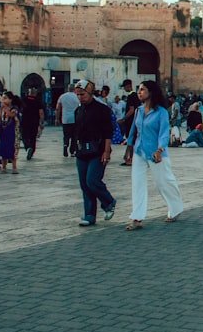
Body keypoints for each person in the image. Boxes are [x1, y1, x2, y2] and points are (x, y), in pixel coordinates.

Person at [125, 80, 184, 231]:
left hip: (156, 153)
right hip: (139, 151)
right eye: (139, 89)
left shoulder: (161, 112)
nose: (139, 92)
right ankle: (137, 217)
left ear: (151, 92)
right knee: (137, 183)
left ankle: (175, 207)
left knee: (162, 182)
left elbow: (164, 133)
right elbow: (133, 130)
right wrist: (129, 148)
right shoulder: (138, 110)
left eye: (142, 90)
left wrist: (160, 150)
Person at [72, 80, 116, 227]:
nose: (80, 97)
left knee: (92, 181)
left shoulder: (102, 109)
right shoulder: (78, 110)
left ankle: (108, 201)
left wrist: (107, 151)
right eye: (77, 95)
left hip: (98, 150)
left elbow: (108, 132)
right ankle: (89, 215)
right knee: (84, 184)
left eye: (82, 94)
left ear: (90, 93)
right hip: (82, 151)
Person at [0, 91, 21, 174]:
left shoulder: (14, 108)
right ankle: (4, 166)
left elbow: (11, 115)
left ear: (10, 100)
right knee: (3, 148)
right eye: (2, 98)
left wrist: (5, 108)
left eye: (5, 98)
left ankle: (14, 167)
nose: (3, 100)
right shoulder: (0, 109)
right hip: (2, 132)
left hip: (12, 131)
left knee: (12, 148)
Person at [119, 79, 140, 165]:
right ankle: (128, 157)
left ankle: (130, 158)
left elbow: (131, 110)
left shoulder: (132, 96)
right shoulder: (135, 95)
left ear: (128, 86)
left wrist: (123, 119)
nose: (124, 89)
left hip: (131, 121)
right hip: (134, 120)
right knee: (131, 139)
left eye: (124, 87)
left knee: (131, 139)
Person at [55, 83, 79, 158]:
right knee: (74, 136)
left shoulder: (62, 96)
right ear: (74, 89)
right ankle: (72, 151)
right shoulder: (77, 97)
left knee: (66, 135)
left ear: (68, 88)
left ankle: (65, 146)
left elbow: (58, 108)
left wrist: (57, 119)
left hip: (65, 119)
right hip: (75, 119)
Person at [21, 87, 45, 160]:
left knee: (24, 136)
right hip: (34, 122)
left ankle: (28, 147)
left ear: (28, 92)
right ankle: (31, 149)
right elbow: (41, 112)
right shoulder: (38, 101)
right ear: (35, 93)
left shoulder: (23, 100)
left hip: (24, 121)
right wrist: (41, 122)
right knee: (33, 137)